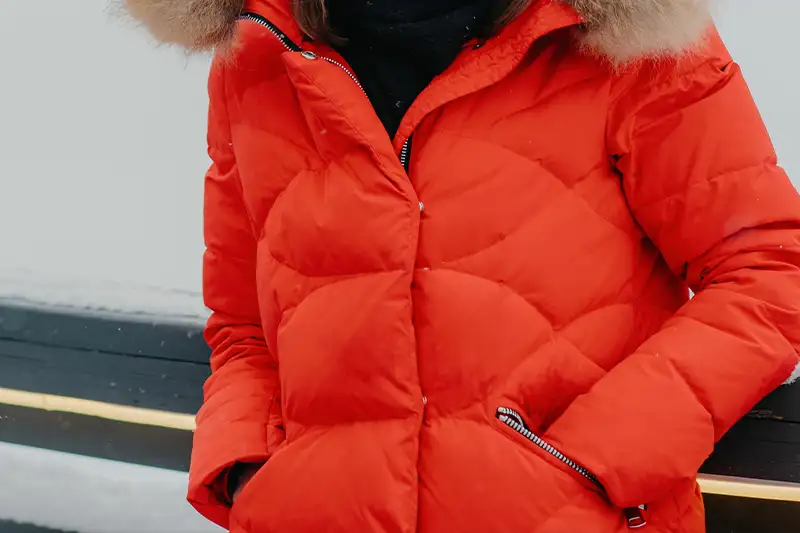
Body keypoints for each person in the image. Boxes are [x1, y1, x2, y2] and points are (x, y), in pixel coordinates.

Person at [124, 0, 800, 531]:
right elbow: (244, 321)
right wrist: (251, 470)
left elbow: (769, 267)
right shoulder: (258, 53)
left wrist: (592, 460)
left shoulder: (627, 42)